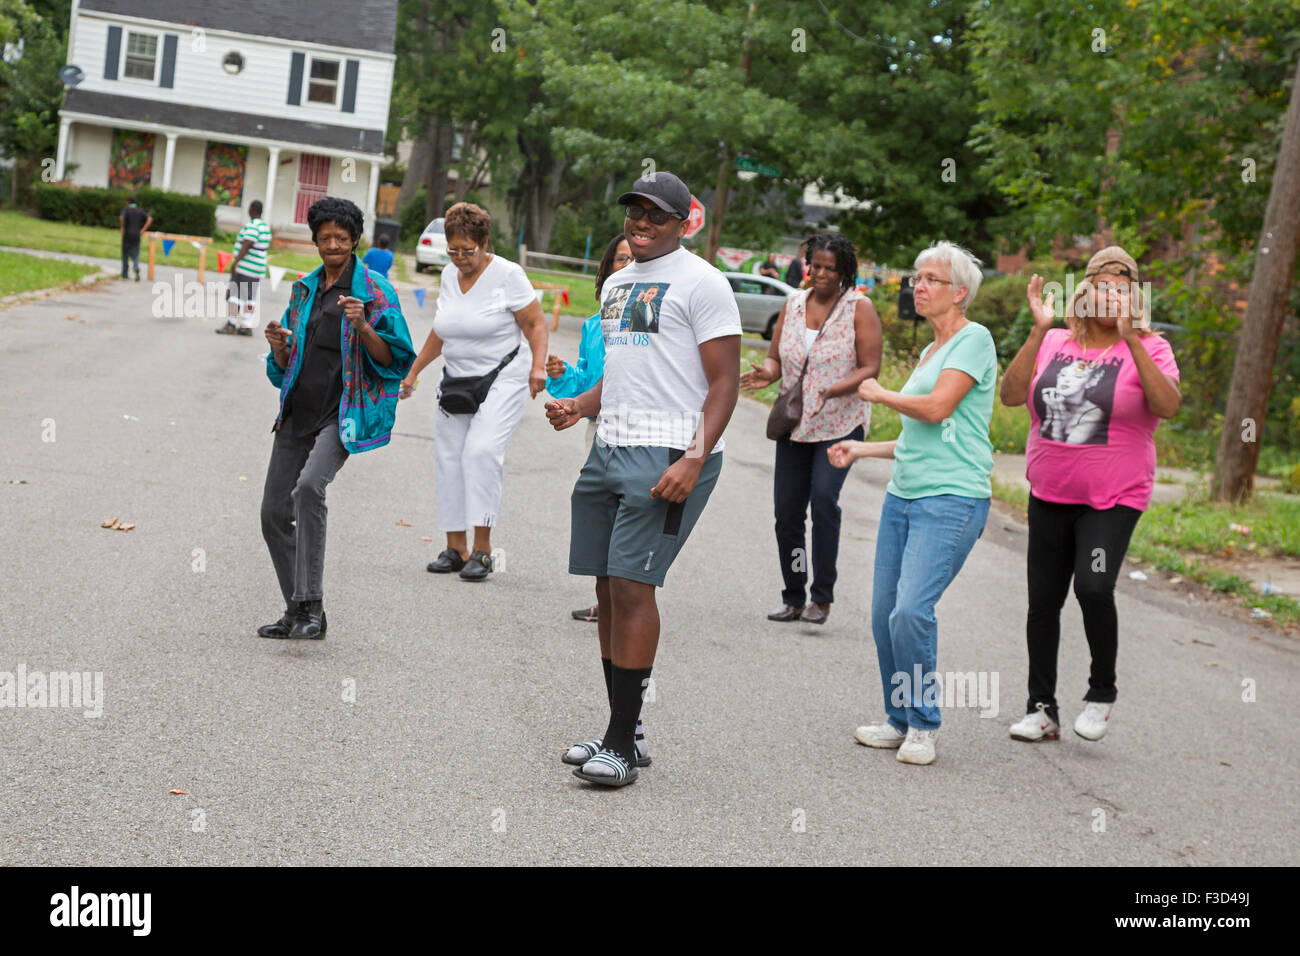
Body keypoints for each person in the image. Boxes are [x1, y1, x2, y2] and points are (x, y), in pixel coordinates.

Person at [545, 170, 741, 787]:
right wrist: (580, 405)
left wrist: (694, 456)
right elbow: (627, 373)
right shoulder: (619, 284)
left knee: (633, 588)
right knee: (605, 590)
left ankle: (621, 747)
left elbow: (725, 382)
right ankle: (623, 730)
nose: (641, 222)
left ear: (683, 223)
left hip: (670, 455)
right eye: (634, 210)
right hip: (608, 448)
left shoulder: (705, 285)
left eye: (656, 215)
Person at [999, 246, 1181, 742]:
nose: (1110, 296)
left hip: (1114, 496)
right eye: (1102, 286)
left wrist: (1132, 341)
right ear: (1085, 289)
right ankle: (1041, 708)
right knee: (1043, 601)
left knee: (1093, 587)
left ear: (1134, 298)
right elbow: (1011, 395)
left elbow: (1167, 406)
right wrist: (1037, 331)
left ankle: (1101, 693)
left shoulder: (1153, 347)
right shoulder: (1055, 339)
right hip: (1051, 492)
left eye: (1121, 290)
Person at [828, 240, 997, 766]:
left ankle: (924, 723)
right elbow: (918, 436)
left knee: (911, 611)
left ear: (960, 292)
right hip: (904, 495)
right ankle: (899, 718)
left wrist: (879, 395)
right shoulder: (929, 352)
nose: (917, 286)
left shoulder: (975, 340)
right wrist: (863, 448)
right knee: (883, 614)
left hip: (952, 498)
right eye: (916, 278)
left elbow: (937, 407)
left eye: (930, 279)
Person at [258, 197, 415, 639]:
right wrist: (277, 345)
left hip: (342, 414)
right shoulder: (304, 289)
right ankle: (297, 610)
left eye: (341, 238)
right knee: (272, 513)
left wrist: (365, 326)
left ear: (355, 240)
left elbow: (394, 360)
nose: (333, 245)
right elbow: (284, 367)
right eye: (325, 237)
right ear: (314, 240)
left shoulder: (375, 290)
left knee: (309, 487)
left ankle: (311, 606)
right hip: (296, 413)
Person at [400, 202, 548, 581]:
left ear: (485, 243)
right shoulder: (450, 276)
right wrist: (414, 371)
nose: (461, 258)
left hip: (503, 376)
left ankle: (482, 550)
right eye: (454, 250)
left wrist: (537, 366)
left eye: (469, 250)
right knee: (449, 458)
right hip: (457, 378)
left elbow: (534, 324)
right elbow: (443, 329)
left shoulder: (508, 275)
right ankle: (455, 547)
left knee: (481, 452)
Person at [741, 233, 882, 625]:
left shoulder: (859, 308)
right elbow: (775, 359)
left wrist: (834, 389)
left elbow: (871, 366)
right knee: (787, 513)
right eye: (815, 266)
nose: (820, 274)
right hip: (795, 424)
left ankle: (822, 596)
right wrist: (765, 374)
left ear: (844, 271)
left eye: (829, 268)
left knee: (823, 501)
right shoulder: (793, 304)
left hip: (840, 423)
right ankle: (794, 594)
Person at [545, 233, 634, 623]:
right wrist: (565, 375)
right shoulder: (592, 325)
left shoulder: (648, 321)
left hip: (636, 429)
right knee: (602, 510)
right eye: (620, 259)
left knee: (628, 511)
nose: (627, 266)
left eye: (633, 259)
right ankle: (607, 597)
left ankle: (625, 595)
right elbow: (588, 379)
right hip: (597, 426)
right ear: (607, 267)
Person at [216, 200, 272, 337]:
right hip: (256, 269)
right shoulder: (265, 227)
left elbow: (247, 244)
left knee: (235, 296)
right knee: (249, 298)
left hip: (245, 268)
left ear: (251, 209)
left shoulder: (253, 226)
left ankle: (231, 324)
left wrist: (236, 262)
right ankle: (246, 325)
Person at [119, 196, 151, 282]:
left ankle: (125, 275)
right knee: (135, 254)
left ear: (128, 202)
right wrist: (143, 230)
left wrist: (122, 228)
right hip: (137, 235)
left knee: (125, 255)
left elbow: (121, 218)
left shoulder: (126, 210)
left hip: (127, 235)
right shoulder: (139, 211)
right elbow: (149, 219)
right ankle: (136, 266)